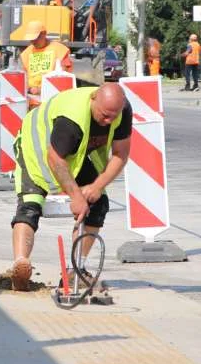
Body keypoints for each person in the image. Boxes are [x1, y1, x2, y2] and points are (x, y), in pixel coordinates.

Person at [10, 84, 133, 291]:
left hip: (77, 151)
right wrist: (76, 196)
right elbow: (55, 158)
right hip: (38, 146)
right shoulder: (71, 120)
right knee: (31, 203)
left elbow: (121, 154)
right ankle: (20, 265)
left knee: (97, 204)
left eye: (113, 116)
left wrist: (96, 186)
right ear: (94, 99)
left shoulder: (122, 111)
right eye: (104, 116)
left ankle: (76, 268)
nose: (108, 121)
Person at [20, 20, 74, 109]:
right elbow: (24, 77)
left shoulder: (59, 49)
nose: (33, 41)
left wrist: (44, 90)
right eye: (31, 39)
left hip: (54, 99)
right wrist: (30, 89)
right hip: (32, 100)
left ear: (44, 34)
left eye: (35, 38)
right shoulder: (26, 53)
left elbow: (65, 77)